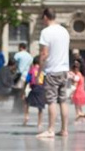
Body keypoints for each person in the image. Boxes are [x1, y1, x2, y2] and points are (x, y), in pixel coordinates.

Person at [36, 8, 71, 139]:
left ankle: (51, 130)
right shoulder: (64, 31)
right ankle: (64, 130)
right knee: (63, 101)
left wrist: (39, 71)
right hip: (64, 70)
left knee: (51, 101)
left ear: (45, 17)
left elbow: (44, 54)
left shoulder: (46, 32)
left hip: (52, 71)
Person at [23, 57, 45, 128]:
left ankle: (26, 116)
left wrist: (23, 90)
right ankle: (39, 123)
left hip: (34, 88)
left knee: (27, 102)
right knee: (40, 107)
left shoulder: (32, 70)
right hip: (41, 89)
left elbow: (27, 80)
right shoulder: (43, 70)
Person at [13, 43, 33, 113]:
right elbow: (31, 66)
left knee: (18, 92)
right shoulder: (30, 56)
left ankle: (17, 108)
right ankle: (23, 107)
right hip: (27, 75)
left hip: (19, 75)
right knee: (23, 91)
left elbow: (14, 64)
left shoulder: (18, 55)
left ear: (20, 47)